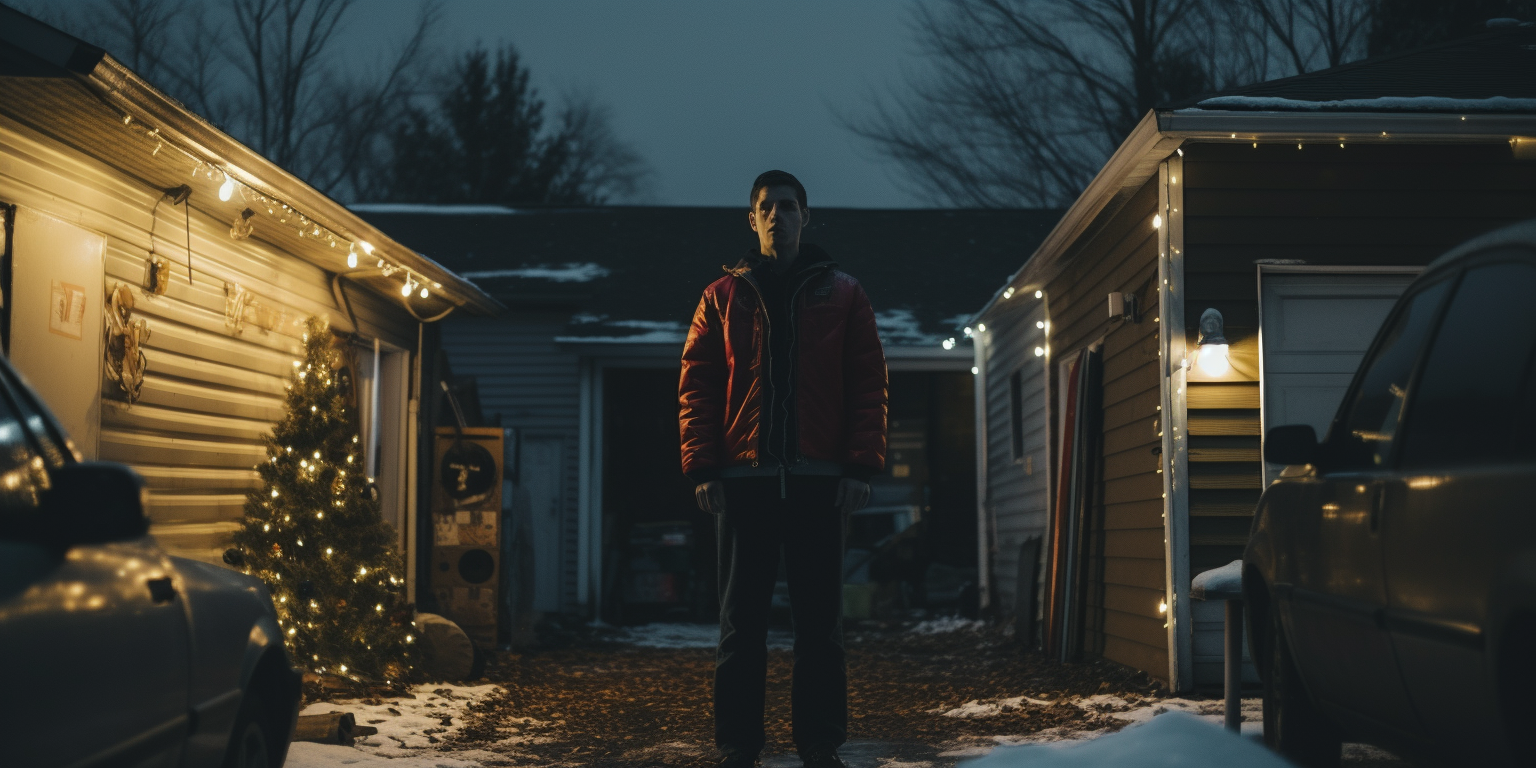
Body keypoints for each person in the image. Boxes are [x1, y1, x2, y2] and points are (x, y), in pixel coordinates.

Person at [679, 170, 888, 768]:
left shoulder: (844, 293)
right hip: (743, 483)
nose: (778, 215)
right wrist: (703, 469)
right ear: (752, 219)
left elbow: (867, 383)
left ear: (805, 216)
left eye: (789, 206)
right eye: (766, 207)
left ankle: (819, 745)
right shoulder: (721, 296)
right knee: (740, 626)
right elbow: (698, 384)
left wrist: (857, 467)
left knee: (820, 626)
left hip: (820, 483)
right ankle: (738, 747)